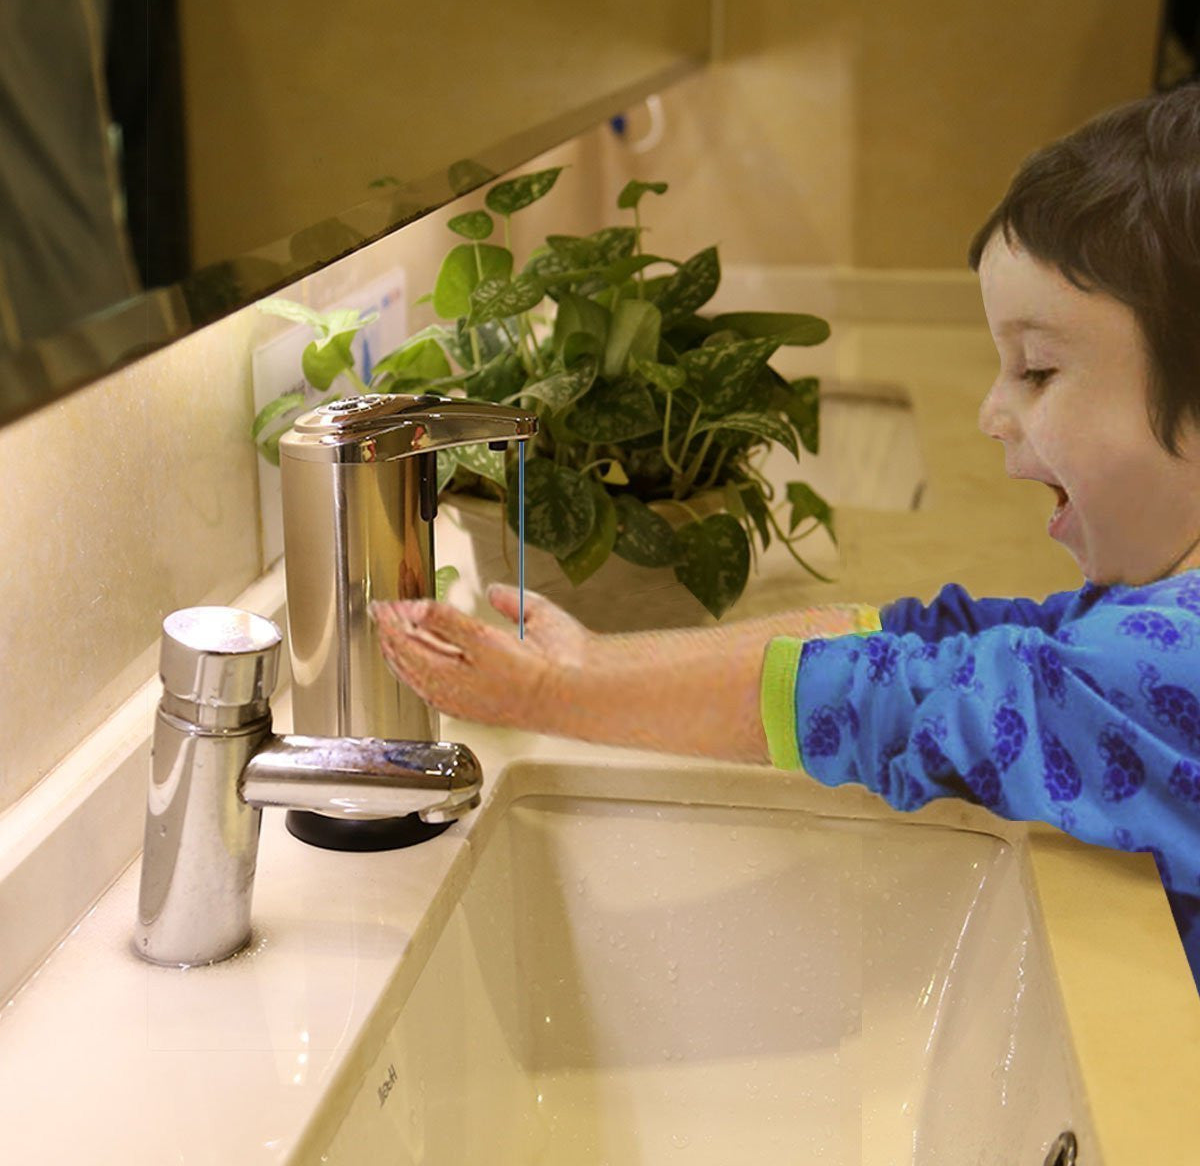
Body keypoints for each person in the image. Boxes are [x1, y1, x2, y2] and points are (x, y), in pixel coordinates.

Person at [373, 85, 1200, 991]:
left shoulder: (1165, 665)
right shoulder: (1153, 623)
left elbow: (906, 696)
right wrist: (590, 670)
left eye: (1038, 368)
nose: (993, 412)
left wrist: (556, 699)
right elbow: (933, 642)